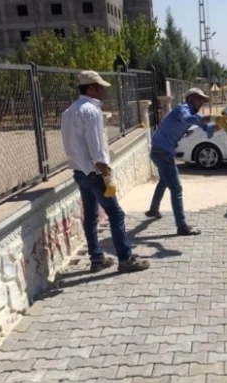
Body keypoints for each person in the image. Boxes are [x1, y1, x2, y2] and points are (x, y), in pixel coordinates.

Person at [61, 70, 150, 274]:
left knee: (91, 216)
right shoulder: (91, 112)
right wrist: (106, 174)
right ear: (91, 88)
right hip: (95, 173)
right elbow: (96, 147)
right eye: (100, 87)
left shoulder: (69, 111)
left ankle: (97, 258)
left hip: (79, 172)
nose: (103, 91)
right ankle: (125, 258)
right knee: (116, 214)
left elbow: (71, 144)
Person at [145, 87, 227, 235]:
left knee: (165, 181)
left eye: (204, 100)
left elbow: (207, 129)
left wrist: (222, 126)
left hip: (160, 150)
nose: (202, 102)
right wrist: (214, 117)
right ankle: (182, 226)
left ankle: (153, 209)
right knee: (176, 188)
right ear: (190, 98)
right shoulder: (182, 108)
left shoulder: (194, 114)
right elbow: (188, 119)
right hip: (162, 152)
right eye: (200, 99)